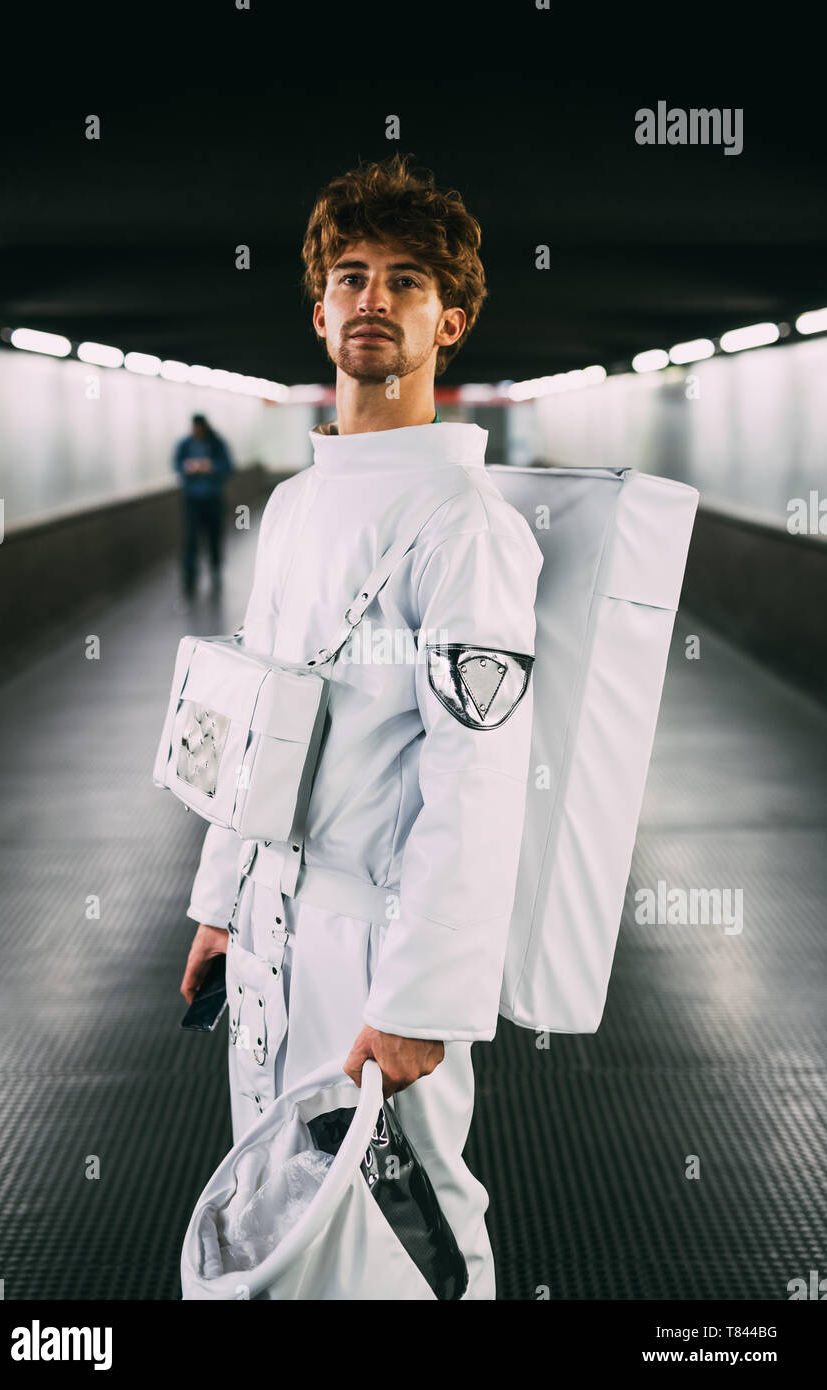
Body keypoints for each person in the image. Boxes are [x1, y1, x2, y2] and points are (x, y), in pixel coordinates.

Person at [178, 154, 542, 1299]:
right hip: (274, 930)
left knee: (411, 1225)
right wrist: (218, 905)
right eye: (350, 276)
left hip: (378, 953)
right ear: (320, 307)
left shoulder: (464, 524)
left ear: (452, 319)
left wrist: (420, 995)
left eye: (404, 281)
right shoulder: (292, 506)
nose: (372, 298)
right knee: (289, 1214)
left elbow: (475, 775)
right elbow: (255, 719)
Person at [173, 413, 234, 598]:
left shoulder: (216, 443)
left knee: (214, 536)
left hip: (212, 498)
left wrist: (211, 467)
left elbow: (228, 467)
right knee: (191, 539)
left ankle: (215, 570)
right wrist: (188, 468)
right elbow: (177, 466)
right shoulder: (185, 444)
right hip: (192, 499)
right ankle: (190, 577)